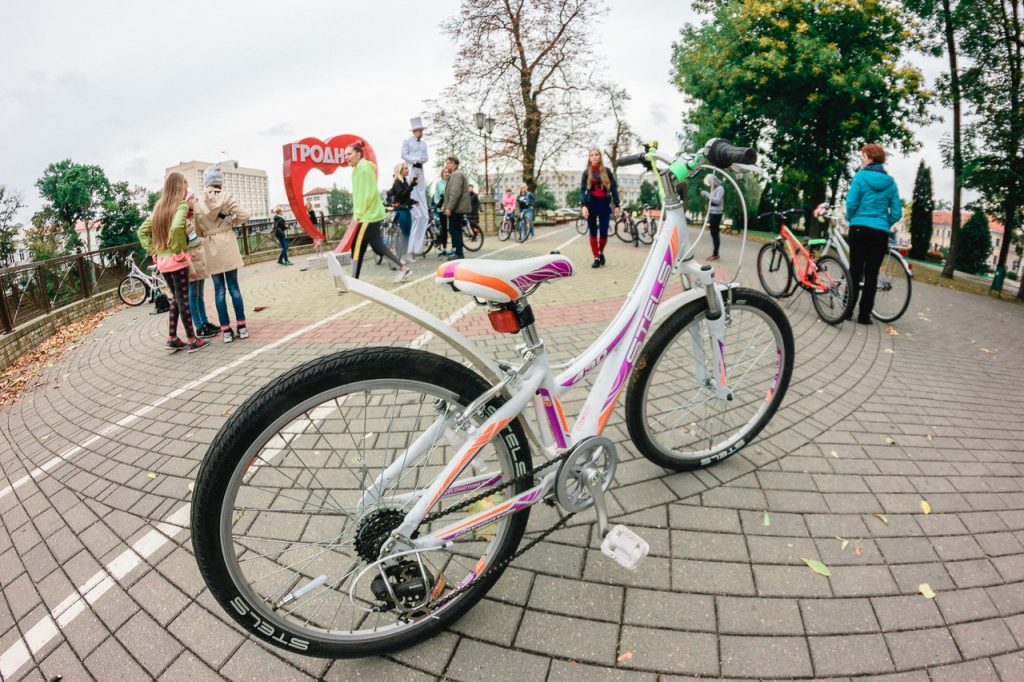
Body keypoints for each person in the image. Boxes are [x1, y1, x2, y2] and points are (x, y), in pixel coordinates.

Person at [137, 172, 208, 353]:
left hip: (163, 262)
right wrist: (178, 252)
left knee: (176, 297)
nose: (187, 187)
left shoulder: (159, 207)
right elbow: (177, 227)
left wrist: (154, 251)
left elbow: (142, 232)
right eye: (185, 184)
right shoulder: (181, 205)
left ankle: (172, 338)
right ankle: (192, 339)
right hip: (177, 261)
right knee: (183, 298)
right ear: (178, 186)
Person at [844, 143, 903, 325]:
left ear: (870, 158)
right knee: (872, 274)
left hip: (859, 229)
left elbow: (851, 203)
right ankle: (864, 316)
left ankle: (847, 311)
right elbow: (896, 212)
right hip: (880, 233)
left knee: (855, 271)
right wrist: (884, 223)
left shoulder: (860, 177)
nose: (862, 159)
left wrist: (851, 218)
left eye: (863, 156)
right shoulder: (890, 183)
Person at [195, 164, 250, 343]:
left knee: (219, 290)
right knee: (234, 286)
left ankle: (226, 331)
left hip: (210, 246)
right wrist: (232, 222)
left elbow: (198, 229)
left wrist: (208, 232)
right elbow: (245, 215)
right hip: (227, 243)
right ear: (220, 182)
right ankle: (242, 327)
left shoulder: (198, 202)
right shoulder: (226, 197)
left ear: (206, 182)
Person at [346, 142, 412, 282]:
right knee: (377, 246)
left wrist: (359, 213)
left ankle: (353, 280)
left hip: (368, 215)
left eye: (349, 154)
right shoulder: (358, 168)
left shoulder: (363, 168)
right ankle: (403, 269)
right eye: (345, 154)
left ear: (358, 154)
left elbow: (368, 193)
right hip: (371, 214)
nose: (346, 157)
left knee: (357, 246)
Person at [579, 148, 621, 268]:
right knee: (593, 232)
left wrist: (617, 205)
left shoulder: (607, 171)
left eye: (596, 154)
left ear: (600, 156)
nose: (594, 157)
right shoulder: (586, 173)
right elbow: (582, 190)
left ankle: (600, 251)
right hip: (591, 204)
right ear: (589, 158)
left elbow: (614, 189)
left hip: (604, 204)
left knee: (603, 233)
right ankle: (596, 257)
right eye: (592, 155)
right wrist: (583, 206)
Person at [185, 196, 217, 338]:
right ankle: (199, 326)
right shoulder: (182, 220)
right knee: (193, 295)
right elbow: (187, 243)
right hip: (191, 261)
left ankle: (205, 322)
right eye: (192, 198)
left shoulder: (195, 216)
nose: (195, 200)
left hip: (200, 259)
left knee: (199, 295)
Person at [401, 116, 430, 257]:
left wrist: (420, 159)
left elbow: (426, 157)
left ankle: (418, 247)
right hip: (413, 169)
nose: (421, 133)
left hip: (420, 170)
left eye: (421, 130)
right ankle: (411, 247)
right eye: (419, 130)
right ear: (414, 131)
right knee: (413, 191)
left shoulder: (423, 144)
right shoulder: (407, 142)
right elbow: (404, 155)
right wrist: (415, 159)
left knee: (421, 195)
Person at [441, 156, 471, 261]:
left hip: (456, 208)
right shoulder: (456, 174)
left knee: (454, 229)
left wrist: (449, 208)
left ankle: (459, 253)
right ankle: (459, 252)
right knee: (456, 229)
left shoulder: (457, 174)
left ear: (454, 164)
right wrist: (445, 206)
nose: (446, 165)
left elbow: (455, 193)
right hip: (457, 207)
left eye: (448, 163)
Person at [389, 162, 418, 262]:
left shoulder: (404, 181)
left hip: (406, 210)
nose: (407, 170)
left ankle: (405, 255)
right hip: (400, 211)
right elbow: (402, 195)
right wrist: (412, 185)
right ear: (400, 171)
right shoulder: (397, 182)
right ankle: (400, 256)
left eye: (407, 168)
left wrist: (414, 202)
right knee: (401, 234)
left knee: (407, 234)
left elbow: (406, 198)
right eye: (405, 168)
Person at [701, 174, 725, 261]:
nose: (710, 184)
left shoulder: (720, 188)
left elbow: (717, 201)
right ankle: (715, 253)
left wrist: (706, 194)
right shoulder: (714, 189)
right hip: (712, 213)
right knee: (713, 233)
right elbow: (712, 200)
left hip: (716, 214)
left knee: (715, 234)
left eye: (710, 182)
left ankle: (715, 254)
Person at [432, 166, 451, 256]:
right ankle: (444, 248)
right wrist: (438, 204)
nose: (447, 173)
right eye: (445, 172)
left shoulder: (451, 182)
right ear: (442, 174)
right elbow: (436, 196)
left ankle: (454, 248)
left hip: (450, 208)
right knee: (443, 228)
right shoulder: (439, 183)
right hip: (441, 208)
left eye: (448, 172)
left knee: (452, 228)